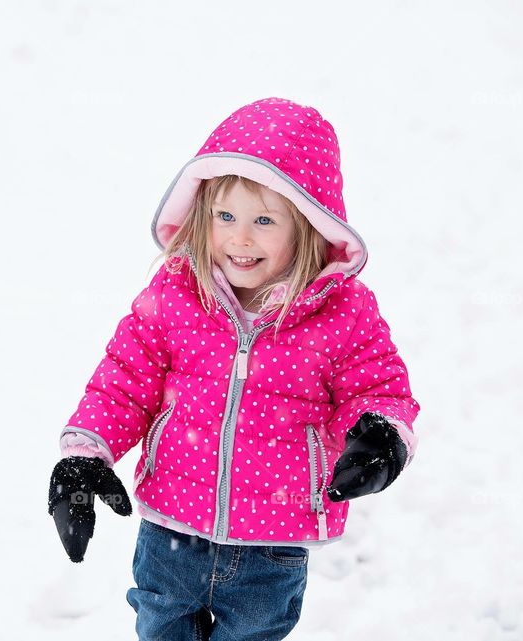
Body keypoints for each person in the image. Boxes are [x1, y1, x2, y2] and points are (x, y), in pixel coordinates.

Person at [46, 97, 420, 640]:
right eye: (226, 216)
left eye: (265, 220)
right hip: (170, 529)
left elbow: (378, 387)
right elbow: (123, 382)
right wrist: (84, 459)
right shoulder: (176, 292)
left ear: (309, 226)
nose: (240, 238)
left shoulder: (342, 311)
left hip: (274, 539)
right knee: (161, 626)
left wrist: (381, 436)